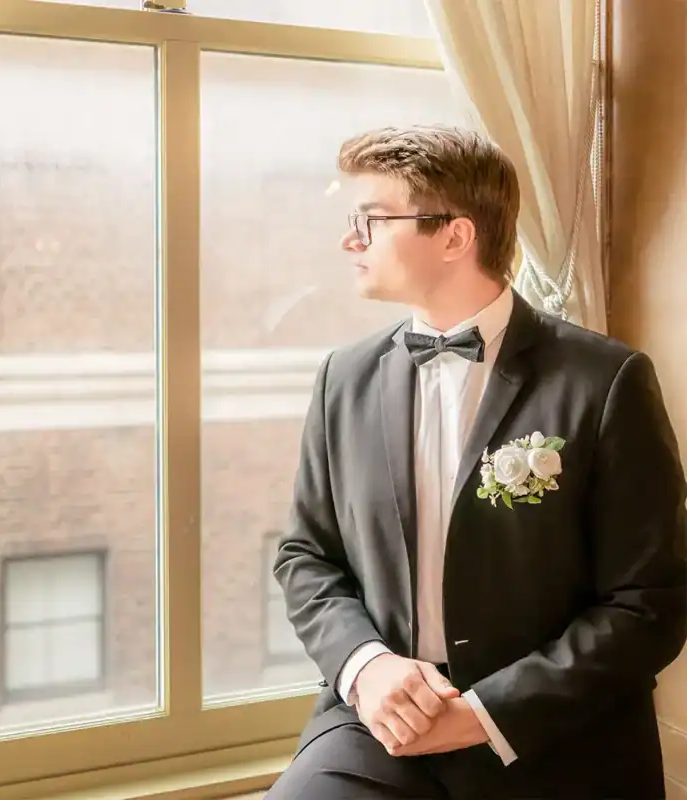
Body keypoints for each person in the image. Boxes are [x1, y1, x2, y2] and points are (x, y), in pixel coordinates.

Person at [266, 125, 687, 799]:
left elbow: (649, 604)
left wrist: (483, 715)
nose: (350, 241)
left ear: (455, 237)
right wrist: (367, 667)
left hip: (553, 725)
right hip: (382, 718)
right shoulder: (342, 377)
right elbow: (305, 556)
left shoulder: (606, 381)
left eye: (370, 220)